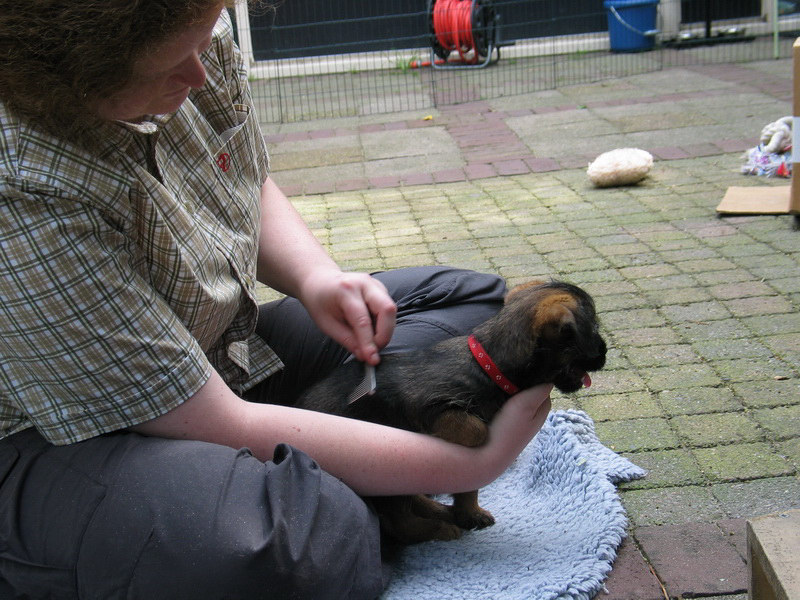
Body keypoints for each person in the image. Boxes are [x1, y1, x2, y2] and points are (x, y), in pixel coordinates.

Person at [0, 1, 552, 598]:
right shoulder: (20, 175)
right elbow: (211, 419)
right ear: (75, 70)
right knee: (289, 546)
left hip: (215, 361)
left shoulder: (192, 28)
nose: (199, 74)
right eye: (168, 64)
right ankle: (329, 494)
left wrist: (317, 278)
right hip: (65, 433)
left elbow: (241, 177)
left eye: (202, 40)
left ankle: (331, 476)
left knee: (477, 309)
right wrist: (474, 465)